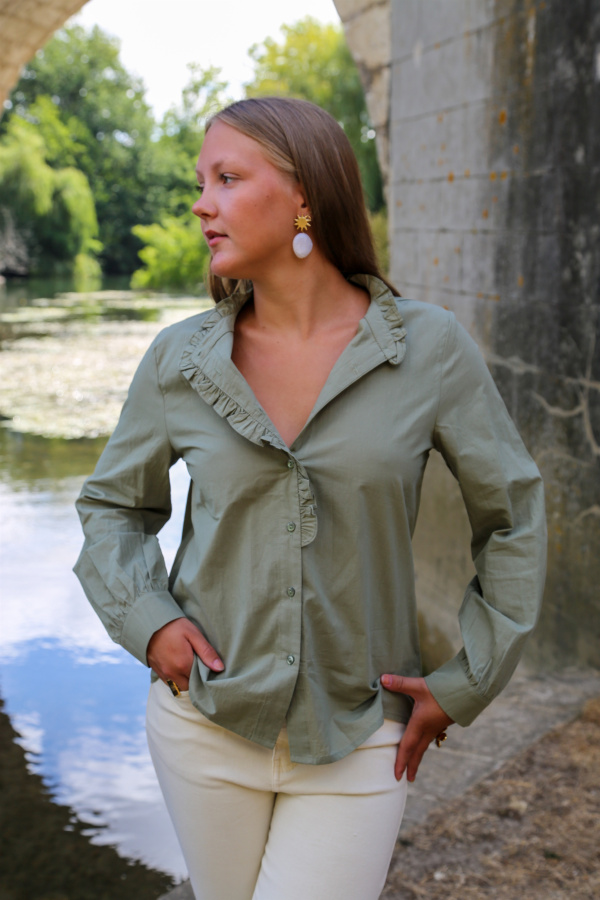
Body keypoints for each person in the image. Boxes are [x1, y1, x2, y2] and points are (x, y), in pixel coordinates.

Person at [74, 97, 546, 900]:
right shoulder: (178, 359)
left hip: (360, 733)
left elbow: (513, 517)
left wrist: (468, 677)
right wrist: (150, 622)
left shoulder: (428, 348)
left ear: (304, 194)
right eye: (200, 183)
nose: (202, 204)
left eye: (227, 179)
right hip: (203, 723)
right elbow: (114, 508)